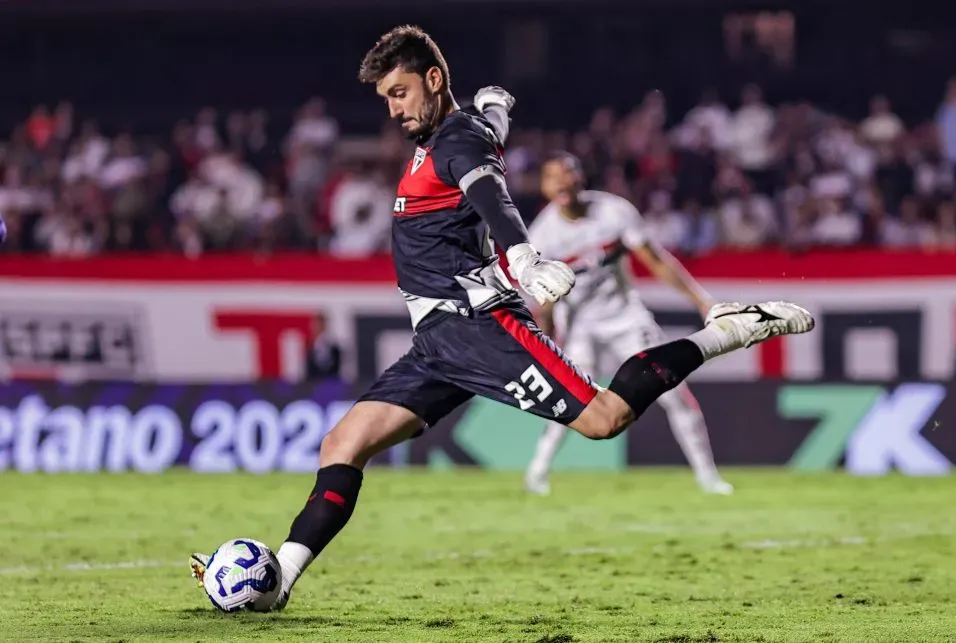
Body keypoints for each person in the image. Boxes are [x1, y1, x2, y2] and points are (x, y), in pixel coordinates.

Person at [190, 25, 814, 610]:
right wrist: (497, 107)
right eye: (385, 98)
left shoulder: (456, 140)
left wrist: (522, 255)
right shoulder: (456, 132)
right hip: (436, 340)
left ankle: (728, 329)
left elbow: (491, 194)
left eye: (401, 92)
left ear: (435, 79)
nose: (394, 109)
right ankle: (280, 585)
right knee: (342, 444)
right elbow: (487, 128)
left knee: (604, 419)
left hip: (477, 323)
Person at [524, 153, 732, 496]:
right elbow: (543, 305)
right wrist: (544, 343)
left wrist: (700, 299)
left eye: (568, 174)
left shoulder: (613, 212)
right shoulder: (542, 236)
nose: (562, 182)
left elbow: (656, 260)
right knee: (572, 403)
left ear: (580, 178)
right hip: (579, 326)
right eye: (553, 177)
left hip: (626, 318)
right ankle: (538, 470)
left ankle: (708, 477)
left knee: (674, 392)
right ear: (545, 187)